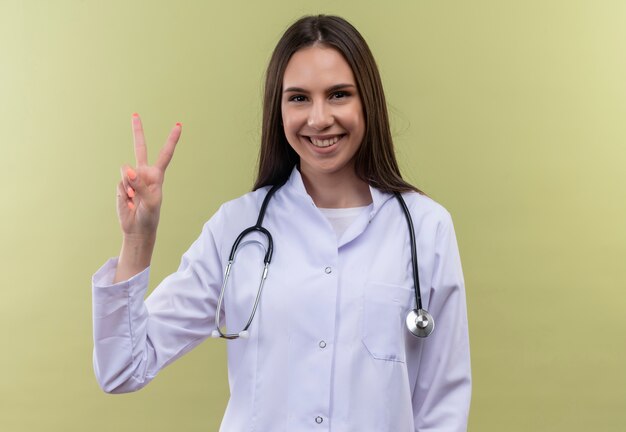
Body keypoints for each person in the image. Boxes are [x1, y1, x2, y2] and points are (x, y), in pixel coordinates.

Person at [92, 14, 471, 431]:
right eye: (298, 98)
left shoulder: (425, 229)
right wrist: (138, 238)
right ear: (278, 108)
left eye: (339, 94)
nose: (319, 118)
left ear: (368, 102)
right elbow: (122, 368)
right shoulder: (237, 228)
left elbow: (442, 408)